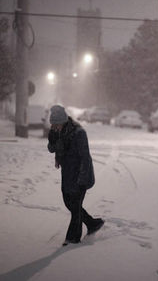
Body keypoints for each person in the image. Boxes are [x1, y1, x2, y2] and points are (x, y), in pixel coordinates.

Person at [47, 105, 104, 246]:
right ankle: (92, 223)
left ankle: (72, 239)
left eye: (56, 125)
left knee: (76, 207)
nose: (55, 127)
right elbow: (51, 149)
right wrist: (52, 139)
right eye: (53, 125)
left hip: (80, 174)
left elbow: (85, 157)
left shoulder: (79, 133)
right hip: (67, 173)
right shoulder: (58, 131)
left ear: (64, 121)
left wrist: (83, 179)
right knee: (69, 203)